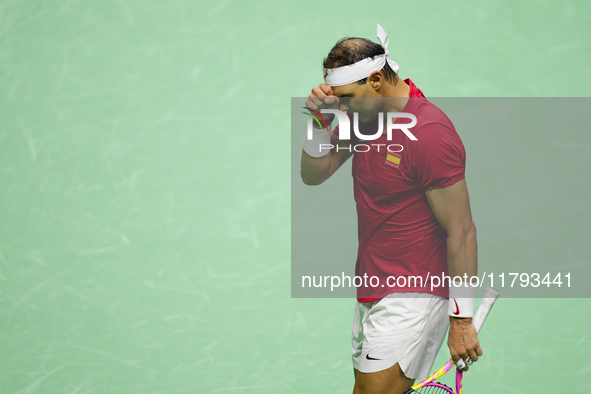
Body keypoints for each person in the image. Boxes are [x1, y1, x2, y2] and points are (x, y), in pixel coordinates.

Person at [300, 24, 482, 394]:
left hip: (414, 291)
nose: (342, 106)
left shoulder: (429, 134)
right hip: (372, 284)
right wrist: (319, 120)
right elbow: (314, 174)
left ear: (377, 80)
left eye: (346, 98)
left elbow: (461, 230)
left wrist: (461, 320)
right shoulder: (364, 118)